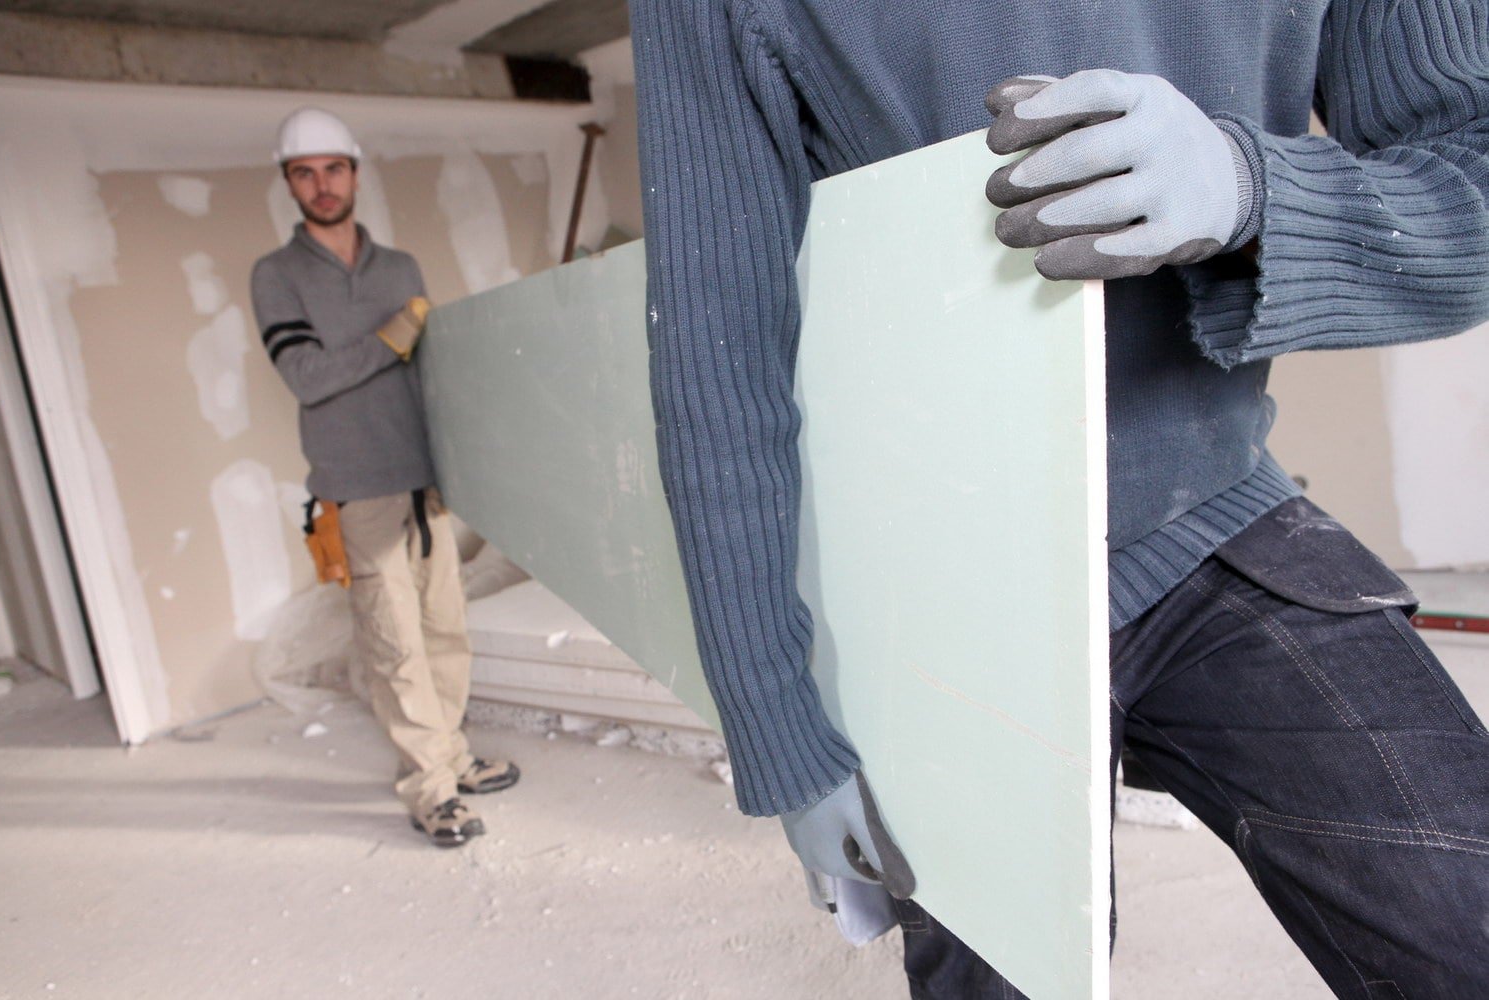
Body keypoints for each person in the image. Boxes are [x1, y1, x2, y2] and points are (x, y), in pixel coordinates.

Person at [630, 2, 1489, 995]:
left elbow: (1469, 171)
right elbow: (719, 354)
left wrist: (1248, 187)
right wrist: (777, 728)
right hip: (951, 578)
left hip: (1207, 515)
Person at [250, 108, 520, 849]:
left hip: (423, 481)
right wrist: (391, 336)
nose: (322, 184)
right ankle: (431, 790)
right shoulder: (277, 276)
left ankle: (454, 757)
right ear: (288, 183)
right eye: (304, 173)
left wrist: (457, 462)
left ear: (355, 173)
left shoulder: (399, 269)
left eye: (333, 169)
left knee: (446, 632)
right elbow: (306, 377)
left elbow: (429, 376)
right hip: (358, 487)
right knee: (394, 645)